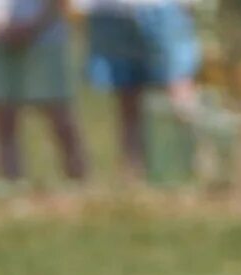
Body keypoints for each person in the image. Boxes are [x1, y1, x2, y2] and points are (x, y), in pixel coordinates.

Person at [77, 0, 201, 177]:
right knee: (127, 101)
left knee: (179, 89)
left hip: (161, 8)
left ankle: (193, 165)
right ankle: (133, 173)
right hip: (109, 12)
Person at [0, 0, 87, 184]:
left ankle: (79, 179)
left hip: (45, 36)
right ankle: (10, 182)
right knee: (4, 115)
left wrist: (34, 27)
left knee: (58, 114)